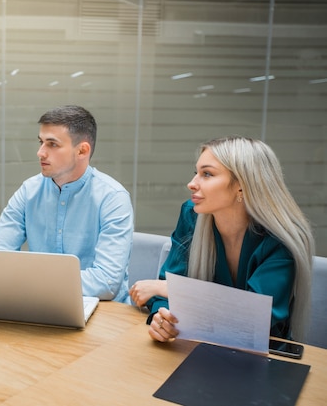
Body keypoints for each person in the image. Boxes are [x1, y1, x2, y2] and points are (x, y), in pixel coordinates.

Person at [129, 136, 314, 343]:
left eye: (207, 174)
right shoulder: (192, 215)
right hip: (196, 345)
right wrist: (163, 319)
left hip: (261, 358)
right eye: (196, 173)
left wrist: (172, 290)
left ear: (242, 185)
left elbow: (254, 318)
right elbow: (167, 283)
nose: (191, 184)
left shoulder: (279, 239)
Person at [0, 105, 134, 302]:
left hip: (103, 313)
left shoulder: (112, 198)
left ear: (82, 151)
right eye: (41, 142)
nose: (40, 152)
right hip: (41, 305)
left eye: (52, 144)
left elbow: (106, 283)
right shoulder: (29, 191)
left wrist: (28, 281)